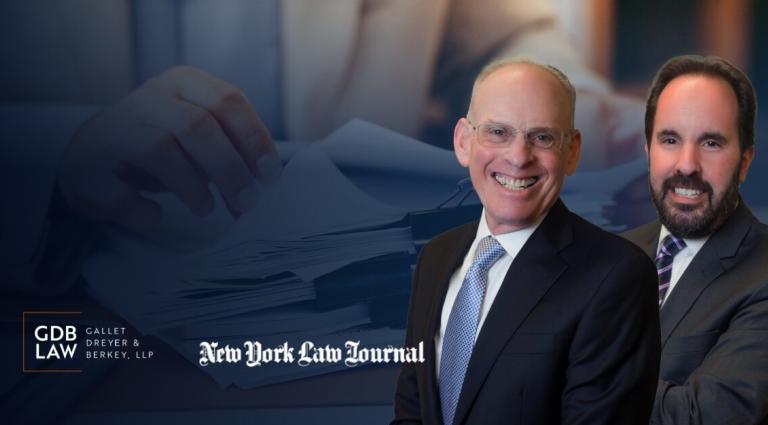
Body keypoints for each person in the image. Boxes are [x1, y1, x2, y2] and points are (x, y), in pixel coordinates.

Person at [392, 59, 660, 425]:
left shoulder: (617, 276)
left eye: (542, 137)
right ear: (463, 141)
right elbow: (411, 413)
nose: (519, 157)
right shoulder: (435, 257)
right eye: (498, 132)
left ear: (572, 151)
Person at [623, 55, 768, 424]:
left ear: (745, 161)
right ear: (648, 151)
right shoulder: (612, 254)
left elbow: (705, 415)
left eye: (711, 143)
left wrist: (576, 380)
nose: (687, 164)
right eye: (670, 139)